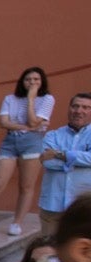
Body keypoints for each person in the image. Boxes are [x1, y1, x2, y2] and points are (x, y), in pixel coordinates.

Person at [0, 66, 53, 237]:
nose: (32, 82)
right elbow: (4, 122)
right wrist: (26, 126)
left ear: (42, 82)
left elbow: (34, 122)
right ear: (22, 81)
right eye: (28, 79)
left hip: (33, 143)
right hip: (10, 141)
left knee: (26, 185)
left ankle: (17, 223)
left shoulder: (47, 99)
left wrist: (31, 99)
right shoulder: (10, 98)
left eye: (36, 80)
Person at [39, 92, 91, 237]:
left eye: (85, 107)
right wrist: (80, 161)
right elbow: (48, 162)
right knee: (49, 252)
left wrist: (60, 154)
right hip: (53, 204)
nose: (79, 111)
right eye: (75, 106)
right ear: (69, 109)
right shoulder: (52, 135)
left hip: (85, 207)